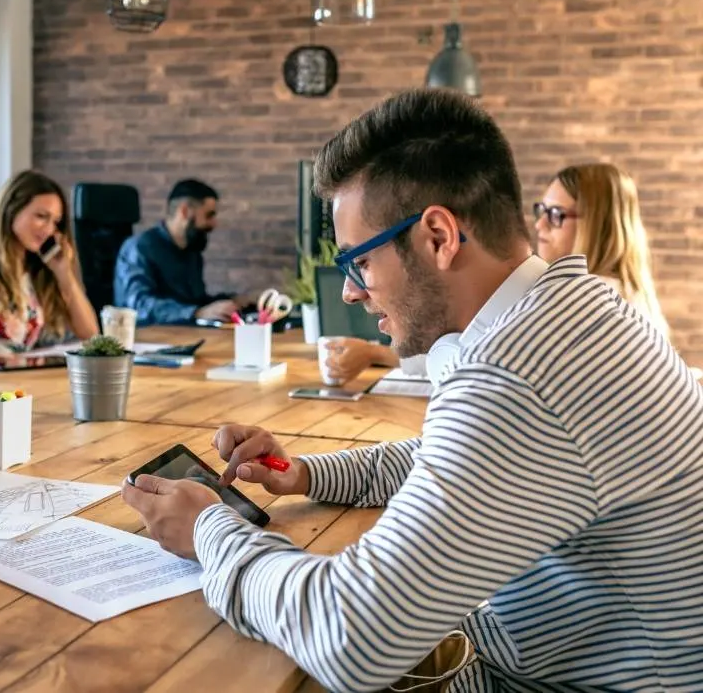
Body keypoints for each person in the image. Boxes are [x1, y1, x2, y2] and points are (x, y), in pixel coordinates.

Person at [121, 88, 703, 691]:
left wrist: (208, 532)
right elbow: (441, 456)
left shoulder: (513, 378)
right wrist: (303, 474)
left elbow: (352, 637)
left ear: (438, 237)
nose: (350, 291)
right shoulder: (571, 311)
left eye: (359, 263)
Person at [0, 169, 98, 367]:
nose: (49, 230)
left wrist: (63, 272)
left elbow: (91, 335)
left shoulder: (37, 271)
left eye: (55, 222)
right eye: (41, 216)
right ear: (11, 210)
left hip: (22, 384)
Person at [536, 162, 669, 336]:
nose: (540, 224)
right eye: (542, 210)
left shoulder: (589, 301)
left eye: (556, 213)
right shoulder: (631, 296)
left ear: (596, 225)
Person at [113, 179, 252, 325]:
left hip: (187, 335)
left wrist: (229, 302)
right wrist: (197, 313)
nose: (214, 223)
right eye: (209, 215)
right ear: (185, 211)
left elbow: (193, 302)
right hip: (150, 340)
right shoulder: (139, 248)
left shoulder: (192, 252)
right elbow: (137, 306)